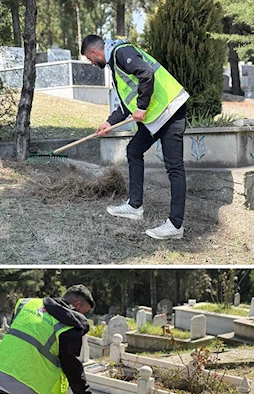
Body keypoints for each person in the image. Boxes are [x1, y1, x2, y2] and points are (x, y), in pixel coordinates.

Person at [81, 34, 190, 240]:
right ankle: (134, 206)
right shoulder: (115, 63)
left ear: (95, 52)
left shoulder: (122, 53)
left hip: (170, 110)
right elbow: (125, 104)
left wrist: (142, 106)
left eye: (89, 58)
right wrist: (109, 123)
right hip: (156, 116)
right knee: (134, 150)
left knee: (174, 167)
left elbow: (146, 73)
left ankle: (175, 225)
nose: (91, 63)